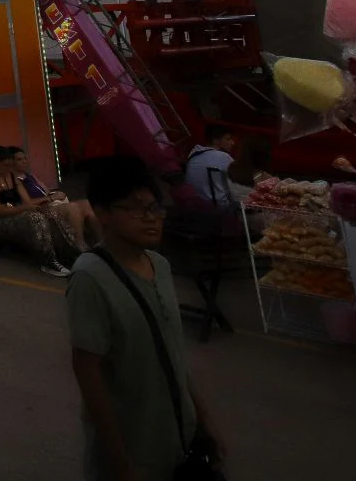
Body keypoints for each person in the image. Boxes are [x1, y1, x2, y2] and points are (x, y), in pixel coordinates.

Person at [68, 156, 223, 481]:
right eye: (136, 209)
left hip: (178, 439)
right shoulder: (89, 277)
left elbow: (170, 354)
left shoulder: (160, 266)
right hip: (133, 450)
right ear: (103, 213)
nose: (151, 219)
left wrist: (202, 420)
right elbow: (89, 374)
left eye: (155, 208)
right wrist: (119, 460)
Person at [0, 146, 79, 276]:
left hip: (17, 210)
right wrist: (24, 208)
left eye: (10, 165)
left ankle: (71, 251)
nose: (8, 169)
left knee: (50, 213)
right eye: (5, 165)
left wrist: (41, 204)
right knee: (35, 218)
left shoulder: (12, 176)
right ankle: (48, 261)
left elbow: (27, 201)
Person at [183, 126, 250, 211]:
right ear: (215, 141)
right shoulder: (223, 157)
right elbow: (240, 189)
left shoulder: (193, 154)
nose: (232, 143)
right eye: (228, 139)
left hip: (194, 206)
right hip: (217, 209)